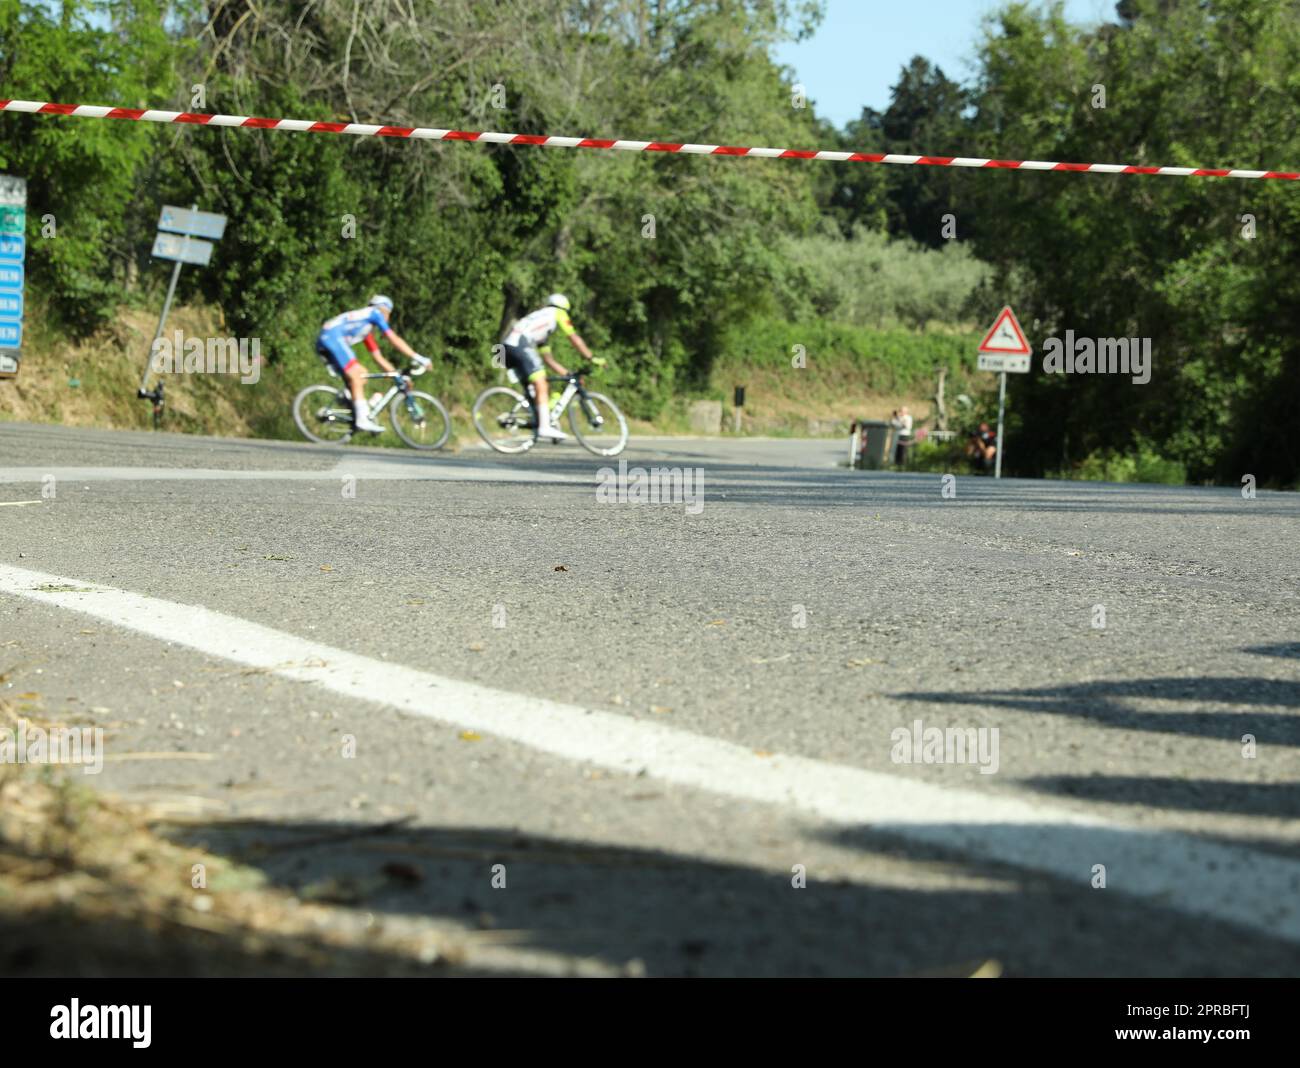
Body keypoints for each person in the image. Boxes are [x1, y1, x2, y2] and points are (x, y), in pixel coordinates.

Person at [316, 295, 428, 433]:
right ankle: (362, 419)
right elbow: (393, 338)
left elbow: (378, 358)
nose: (387, 318)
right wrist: (418, 358)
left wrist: (397, 376)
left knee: (361, 373)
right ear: (385, 310)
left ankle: (349, 402)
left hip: (325, 341)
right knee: (357, 373)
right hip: (333, 338)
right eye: (389, 314)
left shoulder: (365, 327)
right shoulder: (375, 313)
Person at [500, 293, 596, 441]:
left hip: (505, 347)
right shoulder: (557, 313)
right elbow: (574, 338)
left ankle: (536, 420)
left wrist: (568, 374)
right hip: (520, 344)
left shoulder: (540, 323)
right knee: (541, 383)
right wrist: (591, 357)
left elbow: (548, 359)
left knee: (537, 387)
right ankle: (544, 428)